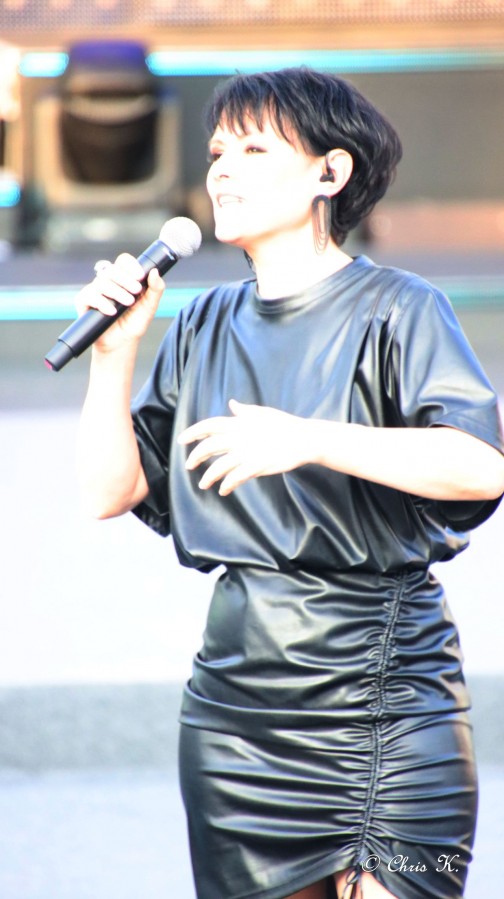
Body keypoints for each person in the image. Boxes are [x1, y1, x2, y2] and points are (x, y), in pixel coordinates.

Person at [75, 68, 504, 899]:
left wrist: (306, 439)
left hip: (386, 699)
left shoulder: (400, 306)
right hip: (237, 717)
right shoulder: (202, 323)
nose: (222, 171)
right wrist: (114, 355)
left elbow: (480, 463)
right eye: (216, 153)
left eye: (253, 149)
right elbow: (105, 492)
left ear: (329, 172)